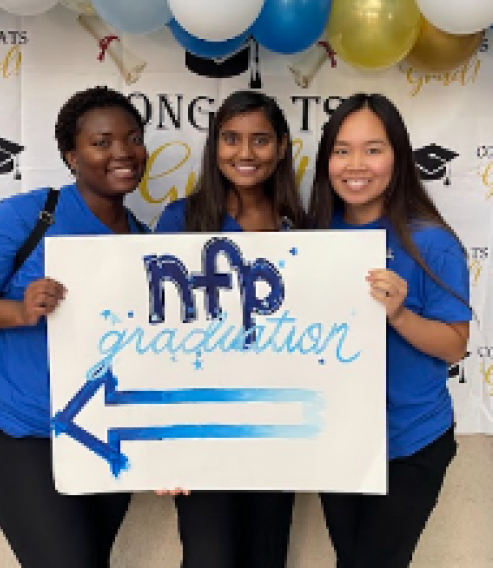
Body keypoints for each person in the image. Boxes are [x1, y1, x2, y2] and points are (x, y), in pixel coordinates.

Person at [0, 86, 148, 567]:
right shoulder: (28, 215)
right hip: (22, 432)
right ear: (71, 156)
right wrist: (20, 311)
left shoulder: (143, 239)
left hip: (99, 431)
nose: (122, 153)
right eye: (102, 142)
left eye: (132, 138)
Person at [307, 93, 471, 567]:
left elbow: (456, 346)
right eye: (342, 150)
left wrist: (399, 314)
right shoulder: (314, 235)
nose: (356, 164)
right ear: (326, 160)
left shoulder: (430, 243)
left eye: (373, 149)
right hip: (338, 437)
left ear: (398, 158)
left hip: (411, 442)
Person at [155, 90, 306, 568]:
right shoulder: (181, 220)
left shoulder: (302, 228)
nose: (245, 153)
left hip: (277, 427)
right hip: (202, 426)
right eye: (231, 139)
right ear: (214, 146)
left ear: (282, 147)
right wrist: (166, 440)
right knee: (210, 558)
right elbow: (155, 337)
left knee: (267, 557)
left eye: (260, 140)